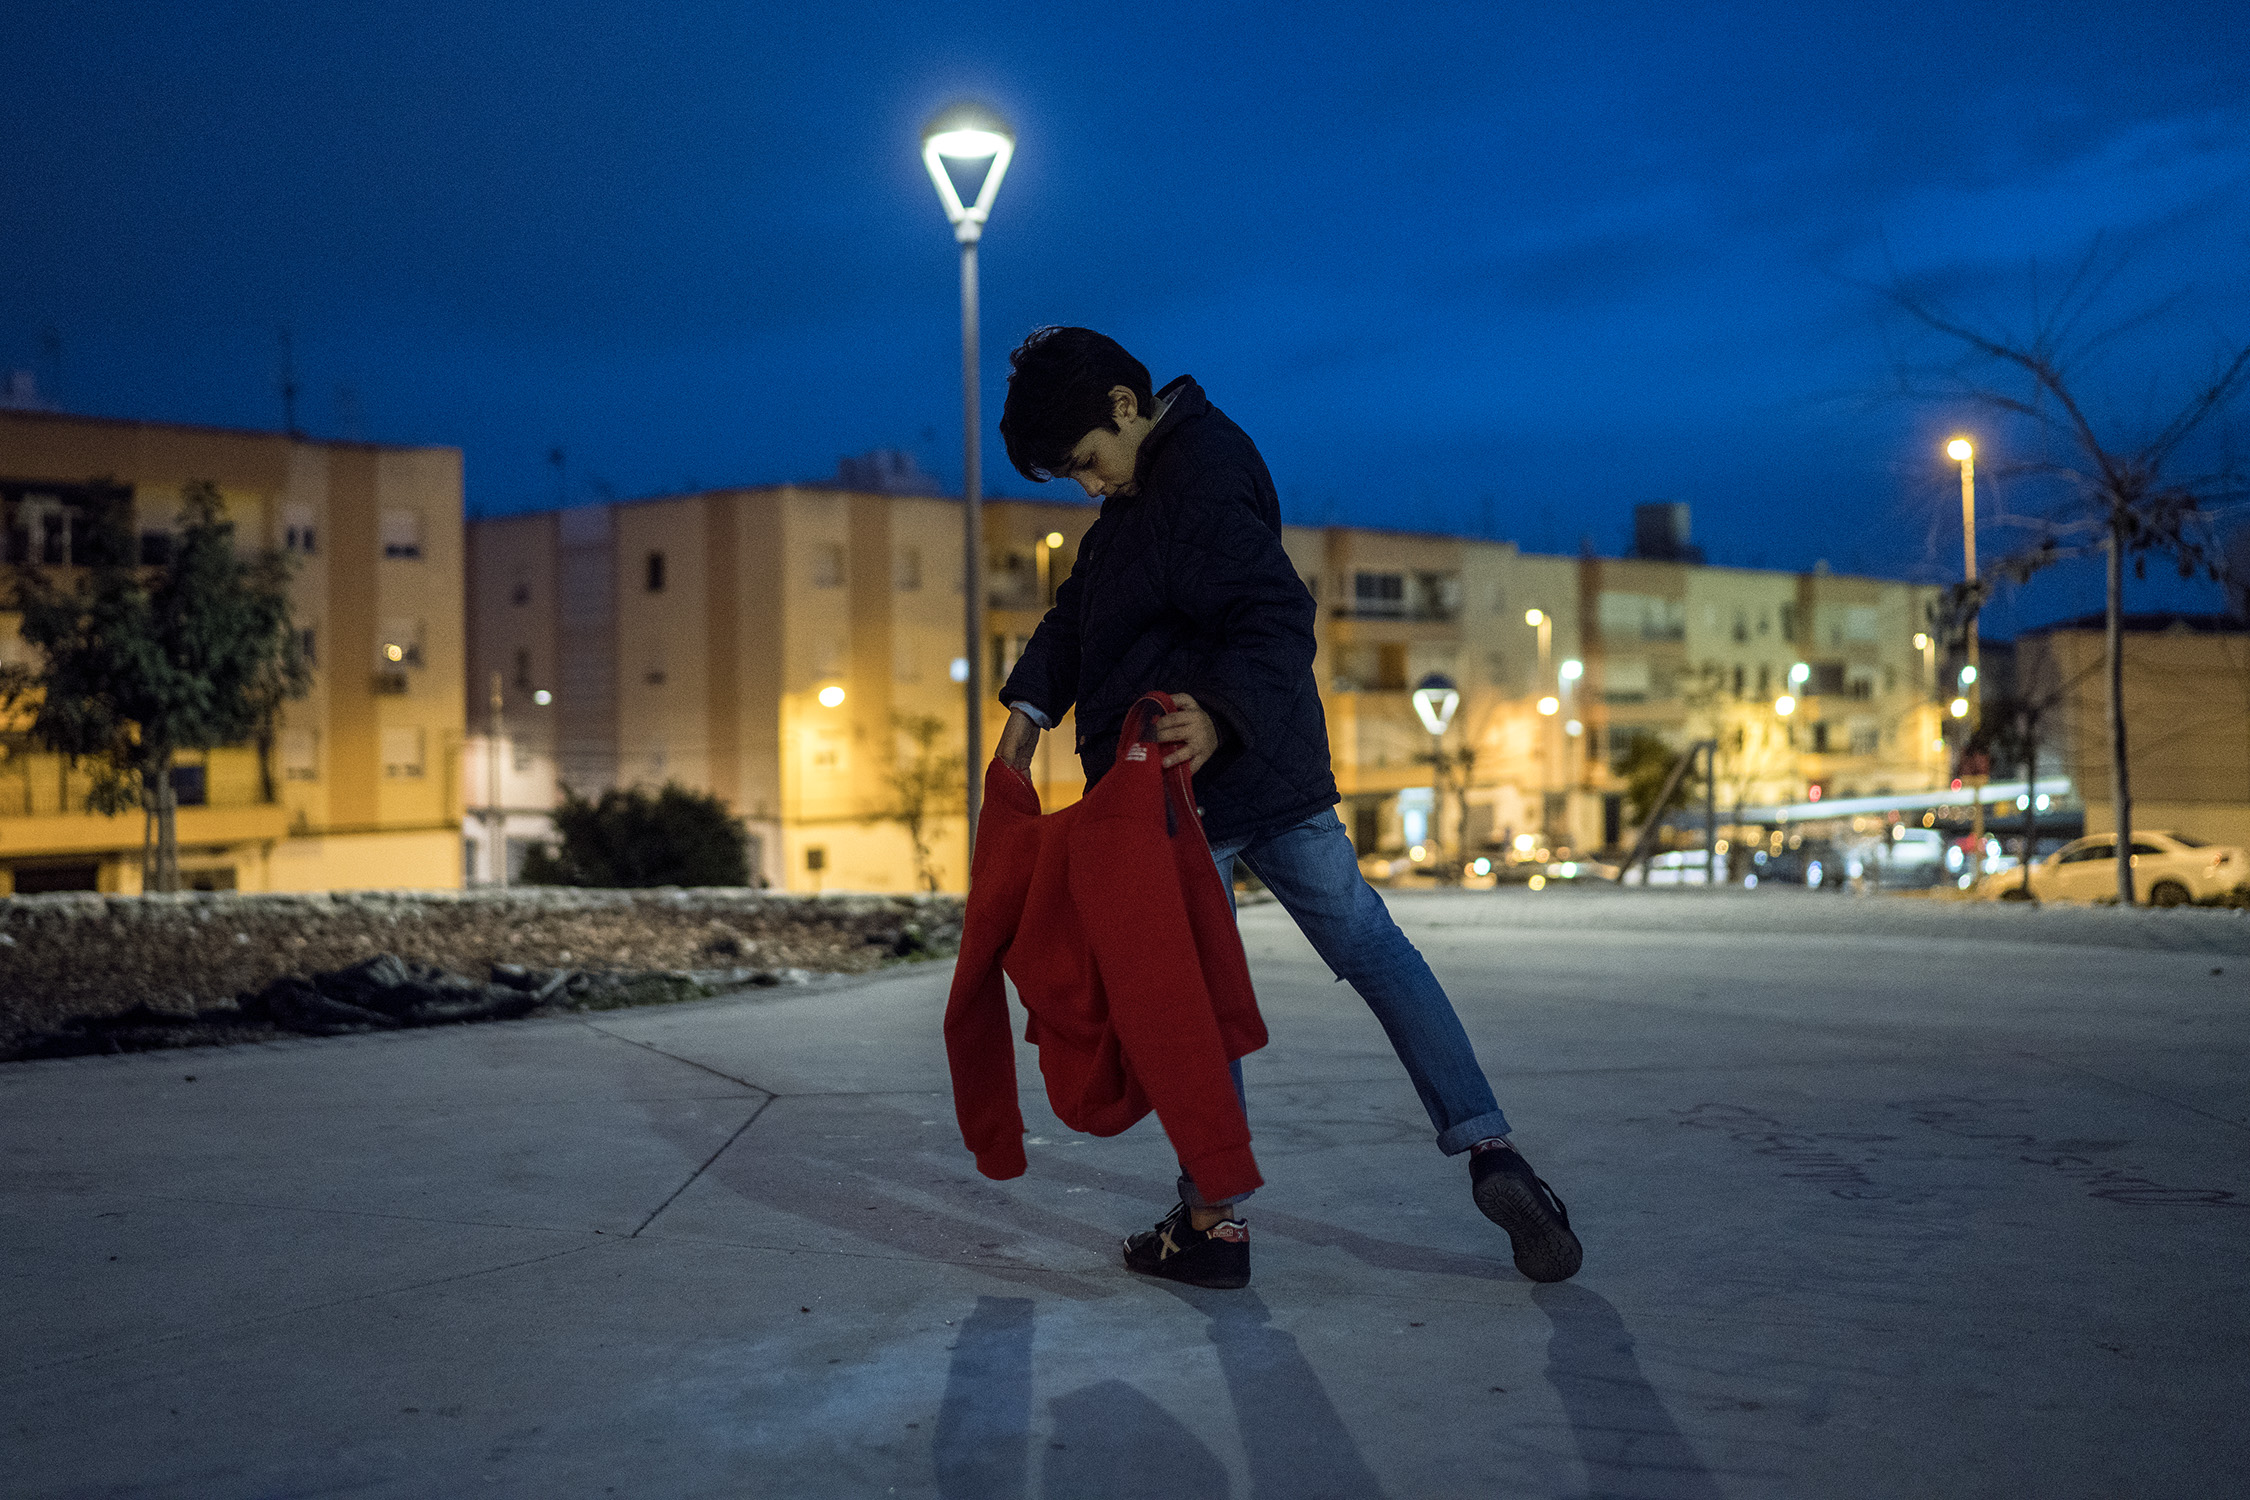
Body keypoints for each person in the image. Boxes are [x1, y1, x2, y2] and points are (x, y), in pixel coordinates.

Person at [992, 326, 1582, 1288]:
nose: (1089, 487)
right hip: (1274, 776)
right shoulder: (1153, 487)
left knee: (1194, 1002)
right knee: (1373, 948)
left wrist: (1219, 718)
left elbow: (1273, 614)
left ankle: (1213, 1223)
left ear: (1126, 408)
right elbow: (1081, 610)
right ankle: (1493, 1150)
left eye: (1087, 464)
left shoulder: (1196, 481)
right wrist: (1027, 713)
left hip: (1192, 790)